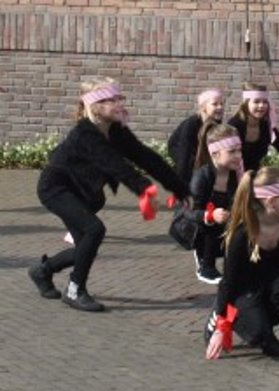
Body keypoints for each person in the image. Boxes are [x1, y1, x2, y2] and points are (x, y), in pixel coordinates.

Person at [28, 77, 189, 312]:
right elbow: (115, 165)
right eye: (111, 100)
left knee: (85, 246)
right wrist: (144, 189)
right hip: (56, 189)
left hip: (84, 193)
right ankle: (74, 290)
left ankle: (43, 271)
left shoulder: (116, 131)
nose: (118, 104)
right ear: (95, 106)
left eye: (118, 98)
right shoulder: (85, 133)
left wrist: (181, 189)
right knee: (95, 230)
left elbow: (146, 158)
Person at [205, 167, 279, 360]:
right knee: (261, 338)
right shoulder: (243, 233)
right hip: (241, 292)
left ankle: (262, 324)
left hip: (267, 285)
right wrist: (221, 327)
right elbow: (229, 283)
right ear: (272, 201)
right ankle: (229, 317)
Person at [189, 120, 243, 284]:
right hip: (198, 223)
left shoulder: (235, 174)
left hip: (224, 218)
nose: (238, 156)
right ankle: (206, 265)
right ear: (215, 154)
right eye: (232, 151)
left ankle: (236, 266)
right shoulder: (202, 176)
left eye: (239, 150)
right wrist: (210, 215)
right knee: (212, 228)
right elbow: (190, 211)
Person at [228, 82, 279, 173]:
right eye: (256, 102)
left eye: (265, 102)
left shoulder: (266, 126)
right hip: (232, 176)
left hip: (254, 175)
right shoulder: (234, 126)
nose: (261, 105)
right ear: (246, 103)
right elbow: (225, 159)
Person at [167, 88, 224, 184]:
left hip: (199, 150)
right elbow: (184, 153)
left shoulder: (217, 123)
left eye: (222, 104)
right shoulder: (191, 124)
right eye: (215, 104)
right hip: (179, 148)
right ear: (203, 107)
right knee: (190, 166)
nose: (220, 107)